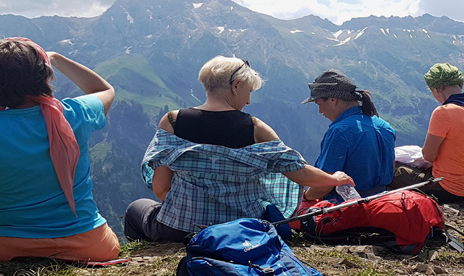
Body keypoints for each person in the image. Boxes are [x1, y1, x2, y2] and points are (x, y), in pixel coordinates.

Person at [124, 56, 355, 243]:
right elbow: (300, 172)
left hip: (180, 228)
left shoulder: (172, 122)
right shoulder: (256, 129)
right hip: (245, 230)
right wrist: (334, 179)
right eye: (249, 92)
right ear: (236, 86)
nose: (248, 102)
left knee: (137, 208)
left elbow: (161, 188)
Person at [0, 38, 120, 263]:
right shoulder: (75, 114)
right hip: (93, 247)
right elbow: (103, 89)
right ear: (44, 75)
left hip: (9, 250)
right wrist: (56, 58)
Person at [389, 63, 464, 202]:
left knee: (389, 168)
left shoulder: (443, 112)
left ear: (437, 88)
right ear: (461, 84)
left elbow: (429, 155)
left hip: (446, 189)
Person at [301, 70, 396, 202]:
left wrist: (304, 199)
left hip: (348, 208)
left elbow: (325, 184)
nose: (320, 111)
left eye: (319, 104)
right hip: (383, 201)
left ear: (333, 100)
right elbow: (392, 167)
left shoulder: (340, 132)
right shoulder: (385, 126)